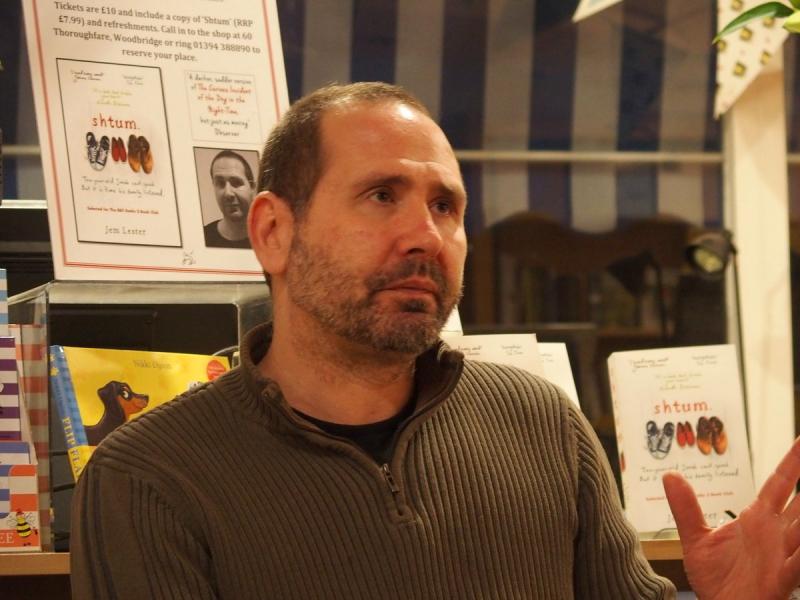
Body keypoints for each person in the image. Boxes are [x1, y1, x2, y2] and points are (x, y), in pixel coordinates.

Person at [71, 82, 800, 599]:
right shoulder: (150, 477)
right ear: (272, 231)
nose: (425, 235)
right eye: (381, 195)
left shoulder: (544, 424)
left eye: (445, 206)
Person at [203, 149, 256, 249]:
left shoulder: (270, 236)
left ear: (252, 187)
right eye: (220, 183)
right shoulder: (203, 237)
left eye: (236, 182)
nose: (228, 193)